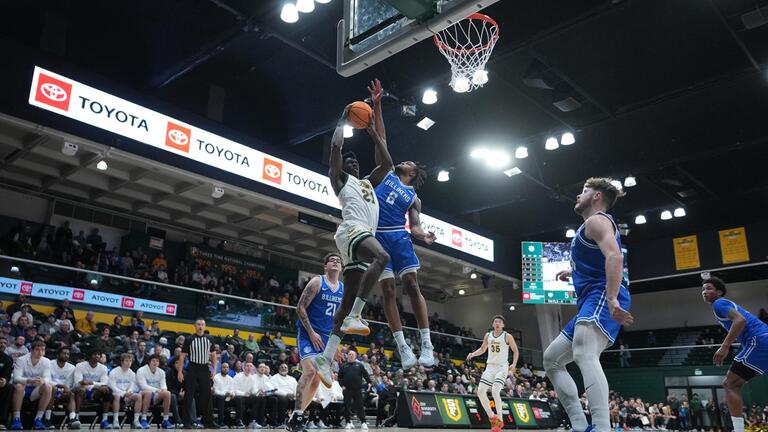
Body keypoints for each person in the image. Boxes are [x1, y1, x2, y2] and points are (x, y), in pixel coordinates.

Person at [543, 177, 633, 432]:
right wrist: (573, 273)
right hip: (591, 298)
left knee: (584, 353)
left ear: (596, 197)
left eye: (583, 191)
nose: (577, 196)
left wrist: (613, 298)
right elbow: (599, 260)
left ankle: (602, 427)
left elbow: (615, 256)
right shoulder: (589, 226)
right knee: (551, 360)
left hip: (602, 295)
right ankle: (580, 425)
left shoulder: (597, 220)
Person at [313, 105, 392, 385]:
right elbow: (335, 147)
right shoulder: (340, 179)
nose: (354, 163)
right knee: (383, 257)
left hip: (360, 237)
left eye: (356, 161)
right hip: (351, 231)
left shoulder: (369, 183)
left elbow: (388, 165)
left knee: (344, 306)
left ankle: (325, 359)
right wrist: (342, 118)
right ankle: (358, 314)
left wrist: (372, 132)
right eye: (350, 161)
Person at [367, 79, 436, 368]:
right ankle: (403, 348)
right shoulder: (386, 174)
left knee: (411, 284)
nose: (403, 161)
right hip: (378, 237)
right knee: (388, 291)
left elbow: (415, 226)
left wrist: (424, 236)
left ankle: (427, 344)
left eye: (408, 162)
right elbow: (381, 138)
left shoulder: (413, 197)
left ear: (413, 172)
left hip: (398, 237)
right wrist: (377, 103)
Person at [287, 253, 344, 432]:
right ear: (325, 266)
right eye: (331, 260)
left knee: (316, 381)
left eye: (338, 261)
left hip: (327, 338)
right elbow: (300, 307)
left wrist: (336, 345)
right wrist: (311, 333)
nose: (335, 262)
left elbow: (340, 321)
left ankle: (294, 418)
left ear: (341, 268)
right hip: (307, 332)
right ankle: (297, 414)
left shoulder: (343, 289)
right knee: (310, 370)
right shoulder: (317, 282)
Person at [702, 276, 768, 432]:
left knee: (730, 384)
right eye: (703, 289)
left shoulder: (719, 303)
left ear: (719, 292)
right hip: (763, 340)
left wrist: (725, 347)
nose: (705, 292)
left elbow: (740, 320)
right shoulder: (723, 305)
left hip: (759, 341)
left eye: (709, 288)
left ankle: (738, 430)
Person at [466, 315, 520, 432]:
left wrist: (514, 364)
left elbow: (515, 350)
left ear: (503, 325)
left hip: (502, 367)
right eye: (495, 321)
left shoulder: (507, 336)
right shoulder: (488, 335)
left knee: (495, 391)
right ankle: (492, 417)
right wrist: (472, 354)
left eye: (499, 322)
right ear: (492, 324)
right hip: (490, 367)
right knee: (480, 392)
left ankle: (500, 420)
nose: (497, 323)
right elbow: (482, 349)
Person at [177, 318, 219, 428]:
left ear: (205, 326)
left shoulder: (210, 339)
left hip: (204, 368)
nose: (200, 326)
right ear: (195, 326)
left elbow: (213, 355)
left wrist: (214, 370)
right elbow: (182, 356)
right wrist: (180, 372)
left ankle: (208, 421)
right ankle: (186, 422)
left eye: (202, 324)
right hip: (192, 368)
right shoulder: (189, 339)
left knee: (207, 395)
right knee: (188, 395)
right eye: (198, 324)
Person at [10, 341, 53, 430]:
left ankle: (38, 419)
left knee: (48, 386)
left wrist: (43, 381)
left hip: (36, 390)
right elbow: (16, 378)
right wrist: (28, 380)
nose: (40, 352)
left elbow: (48, 378)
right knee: (18, 386)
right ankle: (16, 419)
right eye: (37, 350)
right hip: (23, 389)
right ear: (31, 350)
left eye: (42, 350)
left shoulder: (46, 361)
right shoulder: (21, 360)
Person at [74, 349, 112, 429]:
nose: (97, 356)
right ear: (89, 356)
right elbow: (78, 382)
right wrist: (95, 385)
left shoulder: (103, 368)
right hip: (82, 391)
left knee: (106, 390)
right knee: (81, 389)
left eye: (99, 354)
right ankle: (76, 417)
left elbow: (104, 383)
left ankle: (104, 420)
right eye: (95, 354)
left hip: (95, 391)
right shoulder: (80, 365)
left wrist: (92, 383)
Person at [136, 354, 174, 429]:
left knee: (167, 393)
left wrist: (163, 389)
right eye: (153, 360)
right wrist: (157, 390)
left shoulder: (161, 372)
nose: (155, 362)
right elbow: (143, 386)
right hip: (142, 393)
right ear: (149, 362)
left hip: (156, 394)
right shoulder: (141, 370)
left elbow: (163, 385)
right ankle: (143, 419)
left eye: (157, 361)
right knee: (148, 392)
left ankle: (165, 420)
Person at [108, 353, 145, 429]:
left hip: (127, 394)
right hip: (116, 393)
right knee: (117, 396)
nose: (129, 363)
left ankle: (136, 420)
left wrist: (129, 391)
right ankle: (115, 420)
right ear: (122, 362)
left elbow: (133, 385)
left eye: (130, 361)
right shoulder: (114, 372)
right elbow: (112, 386)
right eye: (126, 361)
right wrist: (124, 393)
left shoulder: (132, 373)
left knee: (138, 396)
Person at [338, 350, 371, 429]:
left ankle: (363, 422)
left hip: (357, 389)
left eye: (352, 354)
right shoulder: (343, 366)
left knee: (359, 406)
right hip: (347, 389)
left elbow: (366, 375)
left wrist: (369, 382)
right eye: (349, 354)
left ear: (355, 356)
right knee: (347, 406)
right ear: (347, 356)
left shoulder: (359, 365)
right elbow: (339, 377)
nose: (351, 355)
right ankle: (348, 422)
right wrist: (342, 385)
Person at [49, 348, 80, 429]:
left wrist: (67, 390)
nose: (66, 355)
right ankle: (47, 418)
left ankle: (72, 419)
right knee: (52, 389)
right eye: (64, 353)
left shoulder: (72, 368)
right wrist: (61, 386)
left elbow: (71, 385)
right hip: (50, 391)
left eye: (68, 354)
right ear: (58, 354)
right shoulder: (49, 364)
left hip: (63, 394)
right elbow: (46, 380)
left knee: (71, 394)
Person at [213, 362, 240, 428]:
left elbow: (232, 389)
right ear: (221, 368)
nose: (225, 369)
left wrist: (232, 394)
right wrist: (225, 394)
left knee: (238, 398)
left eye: (227, 367)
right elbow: (216, 391)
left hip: (228, 397)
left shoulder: (230, 378)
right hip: (218, 397)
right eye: (224, 367)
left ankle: (238, 420)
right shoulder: (216, 377)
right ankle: (220, 421)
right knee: (221, 398)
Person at [0, 338, 14, 429]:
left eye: (4, 343)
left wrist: (4, 380)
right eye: (0, 342)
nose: (2, 344)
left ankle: (2, 421)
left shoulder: (7, 359)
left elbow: (7, 375)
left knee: (8, 387)